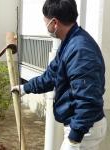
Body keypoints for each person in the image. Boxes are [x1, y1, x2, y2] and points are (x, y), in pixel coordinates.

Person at [12, 0, 107, 149]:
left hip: (84, 128)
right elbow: (50, 76)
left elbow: (88, 99)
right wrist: (25, 88)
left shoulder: (80, 50)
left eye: (46, 23)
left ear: (54, 23)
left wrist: (74, 138)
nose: (46, 27)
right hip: (82, 124)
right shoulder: (69, 42)